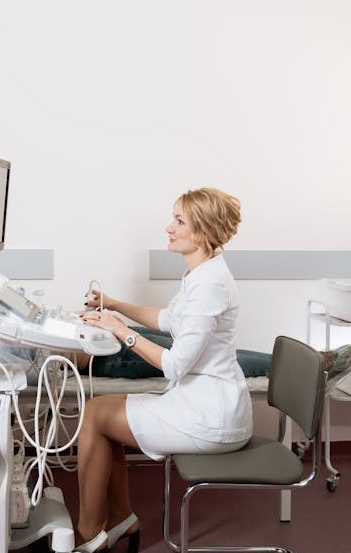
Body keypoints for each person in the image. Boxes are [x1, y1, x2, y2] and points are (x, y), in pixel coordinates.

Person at [72, 187, 253, 553]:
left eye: (179, 221)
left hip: (211, 417)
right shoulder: (201, 274)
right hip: (200, 401)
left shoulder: (210, 285)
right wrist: (115, 305)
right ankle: (121, 518)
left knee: (95, 415)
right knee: (103, 410)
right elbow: (166, 319)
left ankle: (88, 535)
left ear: (202, 232)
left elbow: (174, 365)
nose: (169, 228)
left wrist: (120, 331)